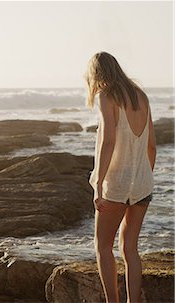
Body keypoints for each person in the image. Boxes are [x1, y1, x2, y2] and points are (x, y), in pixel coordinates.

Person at [86, 52, 156, 303]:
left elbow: (108, 141)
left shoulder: (107, 96)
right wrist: (143, 177)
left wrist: (98, 186)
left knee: (103, 246)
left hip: (115, 184)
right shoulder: (142, 96)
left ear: (97, 75)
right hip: (142, 184)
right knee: (130, 249)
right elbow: (151, 146)